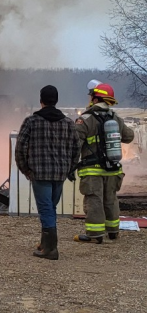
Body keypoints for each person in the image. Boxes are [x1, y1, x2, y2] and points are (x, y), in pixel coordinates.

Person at [13, 85, 81, 260]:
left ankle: (51, 250)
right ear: (56, 101)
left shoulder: (31, 122)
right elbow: (76, 150)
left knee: (46, 210)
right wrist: (69, 169)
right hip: (59, 174)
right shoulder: (68, 123)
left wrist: (26, 170)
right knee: (50, 208)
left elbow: (20, 149)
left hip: (39, 174)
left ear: (41, 100)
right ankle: (45, 244)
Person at [73, 82, 136, 243]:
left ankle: (95, 234)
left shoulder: (85, 120)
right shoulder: (116, 118)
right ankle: (113, 231)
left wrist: (70, 166)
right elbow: (129, 136)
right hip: (113, 169)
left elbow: (74, 145)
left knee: (94, 200)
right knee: (111, 199)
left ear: (95, 98)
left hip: (92, 170)